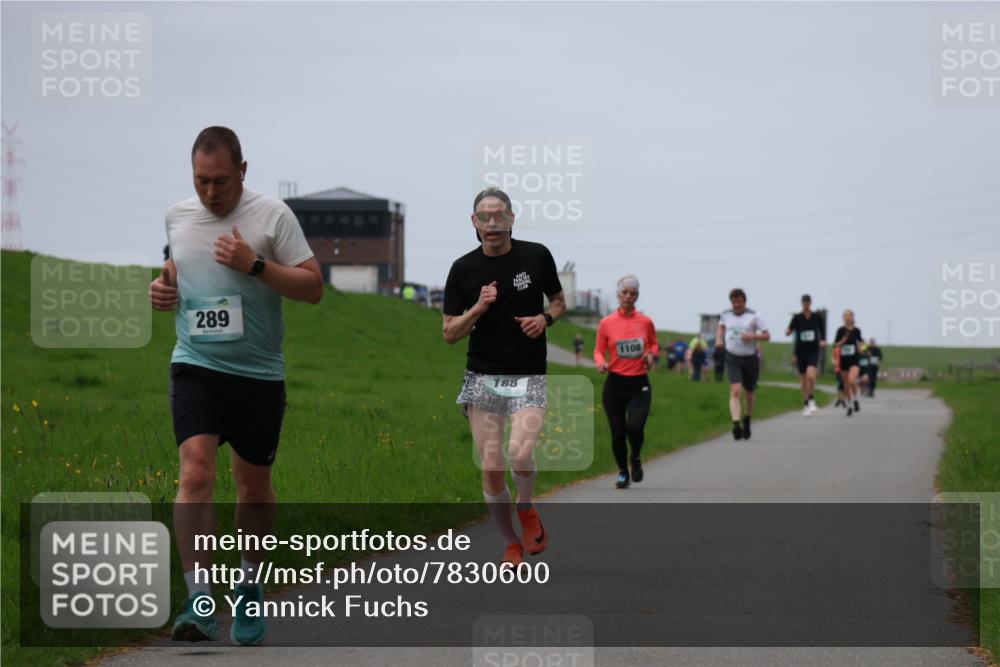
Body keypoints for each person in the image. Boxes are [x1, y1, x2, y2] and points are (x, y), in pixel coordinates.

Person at [148, 127, 324, 645]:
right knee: (195, 471)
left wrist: (256, 265)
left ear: (242, 171)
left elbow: (313, 287)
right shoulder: (178, 216)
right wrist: (163, 288)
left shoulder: (272, 217)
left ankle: (249, 587)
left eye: (221, 181)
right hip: (195, 364)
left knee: (252, 487)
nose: (210, 192)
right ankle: (199, 601)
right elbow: (176, 265)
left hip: (258, 375)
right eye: (201, 181)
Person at [442, 186, 565, 566]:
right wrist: (478, 307)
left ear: (512, 218)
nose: (492, 223)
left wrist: (544, 319)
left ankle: (525, 505)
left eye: (499, 215)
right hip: (482, 376)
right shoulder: (463, 269)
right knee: (492, 466)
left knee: (520, 452)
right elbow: (449, 333)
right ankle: (512, 541)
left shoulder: (537, 255)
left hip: (529, 374)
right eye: (484, 216)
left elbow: (559, 302)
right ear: (474, 222)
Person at [594, 275, 658, 489]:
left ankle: (636, 457)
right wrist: (601, 362)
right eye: (625, 293)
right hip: (614, 385)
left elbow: (654, 345)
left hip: (639, 383)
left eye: (633, 293)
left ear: (637, 296)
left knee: (635, 426)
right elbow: (598, 350)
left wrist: (650, 354)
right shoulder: (606, 323)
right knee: (618, 432)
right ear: (618, 295)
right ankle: (623, 472)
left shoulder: (645, 322)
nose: (628, 297)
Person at [716, 288, 770, 440]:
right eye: (734, 302)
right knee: (735, 390)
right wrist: (719, 339)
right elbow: (721, 327)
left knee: (750, 393)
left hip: (750, 358)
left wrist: (751, 336)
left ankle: (747, 419)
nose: (736, 305)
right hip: (732, 356)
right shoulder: (725, 314)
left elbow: (767, 335)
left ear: (744, 301)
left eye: (739, 302)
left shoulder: (754, 315)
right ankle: (735, 423)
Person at [786, 294, 826, 417]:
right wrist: (788, 331)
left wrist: (823, 340)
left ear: (810, 303)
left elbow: (822, 329)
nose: (806, 305)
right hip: (800, 351)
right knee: (803, 379)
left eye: (808, 303)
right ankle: (806, 403)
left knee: (811, 376)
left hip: (813, 350)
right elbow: (789, 330)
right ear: (801, 303)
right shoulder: (797, 318)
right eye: (804, 303)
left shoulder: (816, 317)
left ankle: (810, 400)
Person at [833, 309, 864, 416]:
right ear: (843, 318)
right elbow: (835, 345)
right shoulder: (840, 330)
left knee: (851, 380)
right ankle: (850, 405)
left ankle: (856, 398)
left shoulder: (857, 330)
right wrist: (842, 341)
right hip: (844, 359)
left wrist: (861, 348)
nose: (847, 317)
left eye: (848, 315)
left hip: (854, 359)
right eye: (845, 316)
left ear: (852, 317)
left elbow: (861, 343)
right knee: (846, 384)